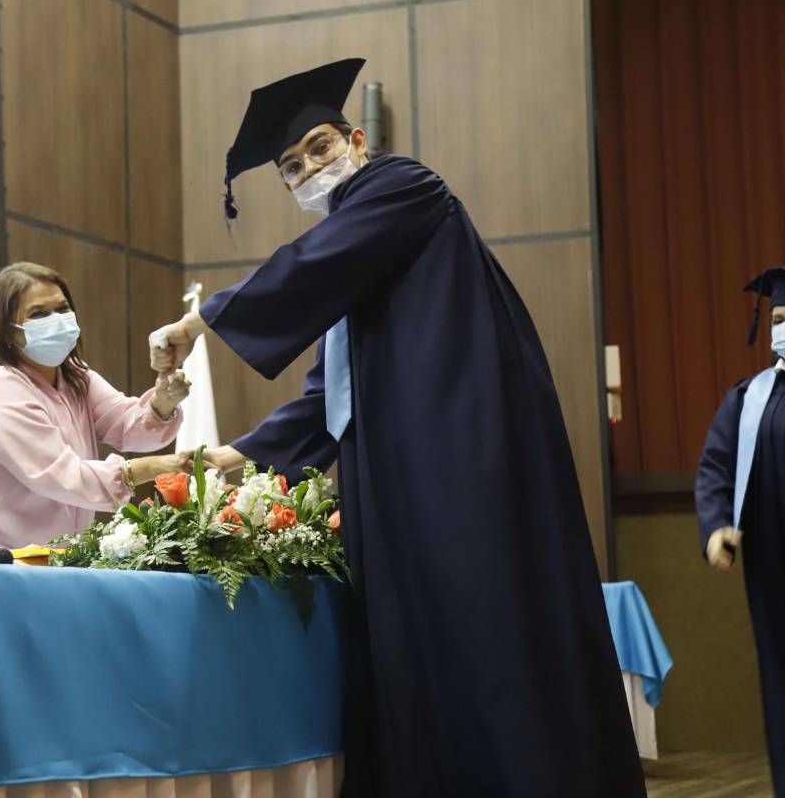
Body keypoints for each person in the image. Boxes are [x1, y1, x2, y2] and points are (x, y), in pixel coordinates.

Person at [150, 58, 644, 796]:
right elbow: (331, 394)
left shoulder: (404, 188)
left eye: (319, 148)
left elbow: (313, 261)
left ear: (355, 140)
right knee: (419, 652)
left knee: (486, 642)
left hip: (461, 466)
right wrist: (237, 454)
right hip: (401, 484)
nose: (311, 168)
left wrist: (201, 318)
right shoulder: (355, 271)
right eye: (292, 167)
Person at [0, 262, 189, 555]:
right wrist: (159, 467)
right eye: (39, 314)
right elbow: (62, 477)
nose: (56, 321)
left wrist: (164, 401)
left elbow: (129, 426)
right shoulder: (0, 391)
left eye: (62, 309)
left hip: (35, 564)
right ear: (7, 332)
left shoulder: (75, 378)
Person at [696, 267, 785, 793]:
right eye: (778, 317)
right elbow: (715, 467)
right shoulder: (749, 399)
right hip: (772, 573)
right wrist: (716, 529)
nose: (784, 325)